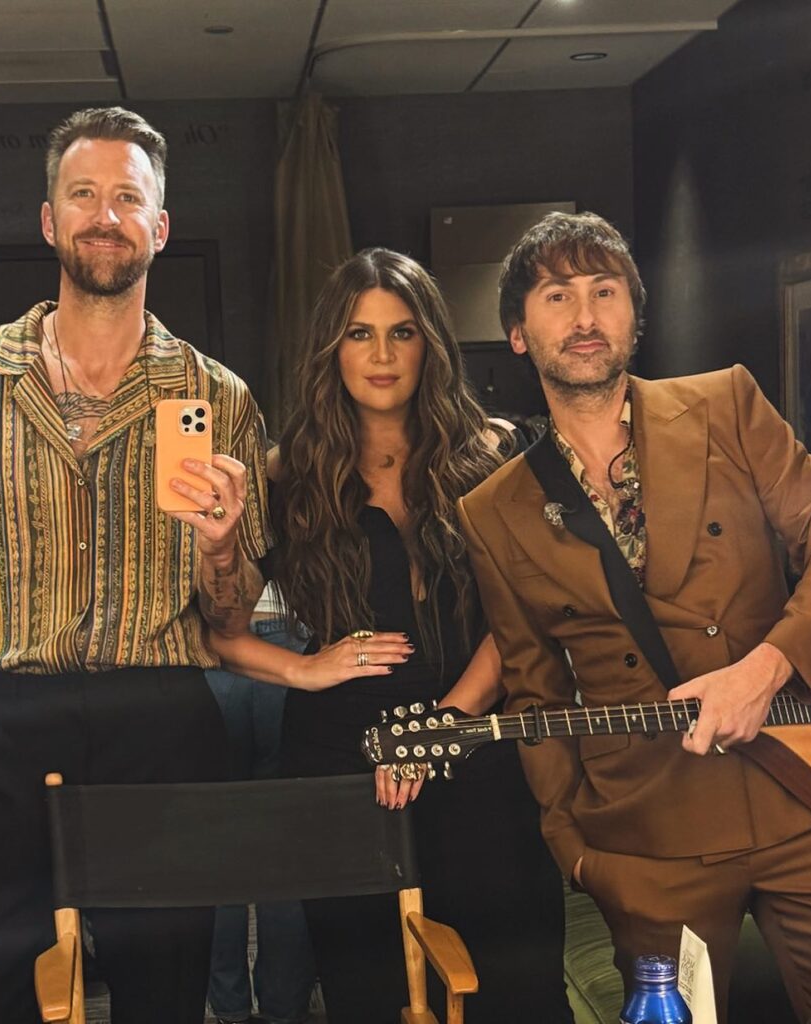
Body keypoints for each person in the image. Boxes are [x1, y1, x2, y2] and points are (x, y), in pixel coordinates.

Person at [458, 210, 811, 1022]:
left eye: (604, 291)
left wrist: (768, 667)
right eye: (556, 296)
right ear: (518, 332)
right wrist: (576, 854)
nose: (584, 318)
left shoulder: (726, 404)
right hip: (649, 834)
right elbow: (534, 693)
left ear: (632, 313)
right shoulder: (493, 510)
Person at [0, 106, 270, 1024]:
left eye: (126, 198)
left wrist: (222, 547)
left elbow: (231, 619)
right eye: (83, 195)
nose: (105, 216)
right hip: (11, 722)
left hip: (163, 719)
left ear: (160, 226)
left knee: (163, 996)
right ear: (48, 219)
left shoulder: (215, 397)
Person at [211, 248, 573, 1024]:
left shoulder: (499, 455)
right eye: (358, 334)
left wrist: (446, 724)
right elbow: (219, 631)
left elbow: (529, 610)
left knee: (515, 985)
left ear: (430, 344)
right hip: (341, 768)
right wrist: (305, 671)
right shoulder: (285, 476)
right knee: (370, 993)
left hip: (476, 744)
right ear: (329, 349)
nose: (381, 356)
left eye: (402, 333)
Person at [205, 582, 317, 1024]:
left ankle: (229, 1008)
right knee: (288, 846)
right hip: (293, 635)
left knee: (216, 846)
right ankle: (284, 1008)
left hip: (210, 644)